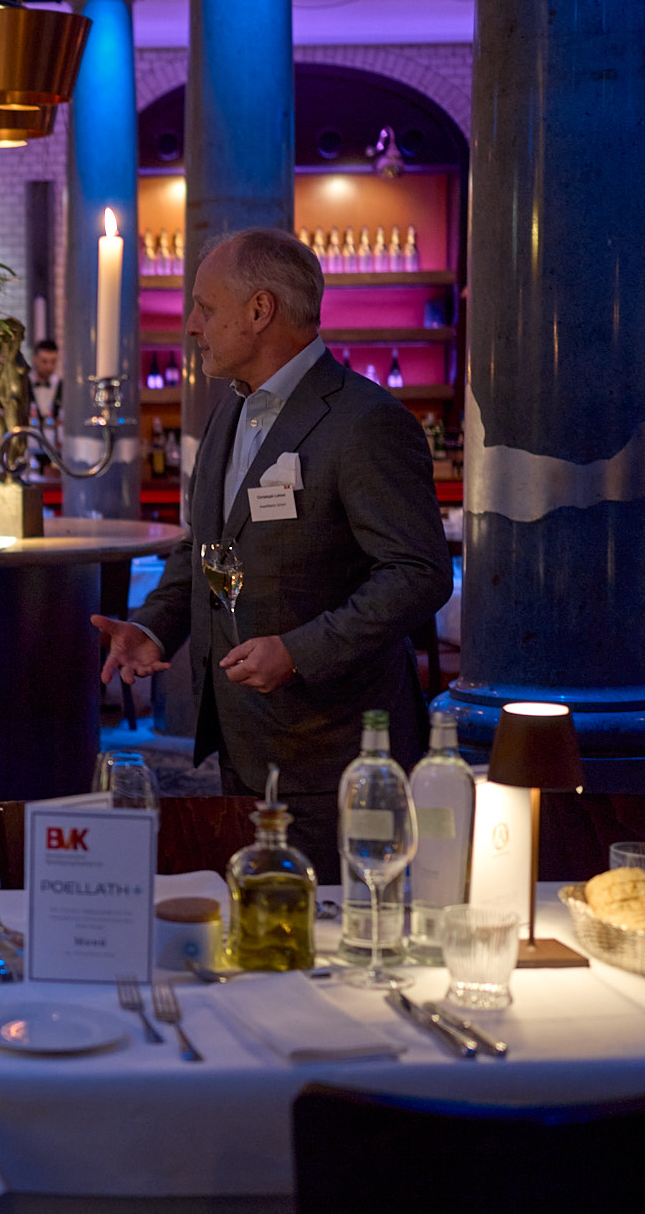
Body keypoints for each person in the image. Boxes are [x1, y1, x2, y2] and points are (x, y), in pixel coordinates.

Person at [91, 227, 451, 878]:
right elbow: (206, 546)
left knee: (336, 929)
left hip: (333, 751)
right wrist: (154, 626)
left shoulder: (365, 420)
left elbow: (418, 574)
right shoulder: (229, 412)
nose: (192, 326)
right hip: (244, 742)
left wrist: (298, 651)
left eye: (205, 307)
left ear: (260, 310)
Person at [30, 337, 62, 434]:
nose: (49, 367)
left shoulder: (61, 386)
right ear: (35, 359)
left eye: (53, 362)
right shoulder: (25, 384)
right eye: (44, 361)